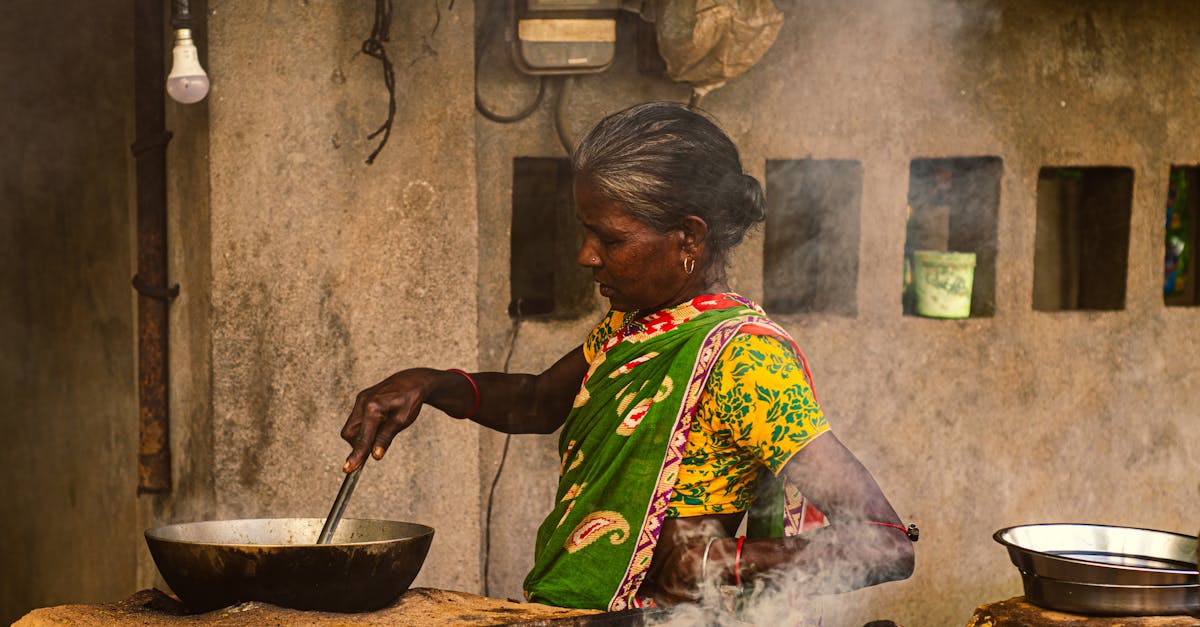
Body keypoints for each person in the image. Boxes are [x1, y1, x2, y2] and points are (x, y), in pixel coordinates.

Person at [340, 101, 914, 611]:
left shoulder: (746, 362)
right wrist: (431, 384)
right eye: (587, 233)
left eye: (610, 239)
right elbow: (540, 402)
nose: (587, 256)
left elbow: (885, 541)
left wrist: (718, 563)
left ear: (689, 237)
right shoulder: (635, 324)